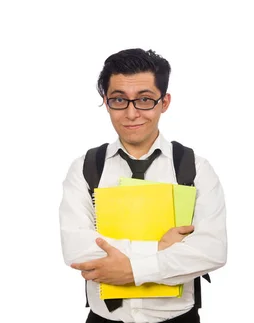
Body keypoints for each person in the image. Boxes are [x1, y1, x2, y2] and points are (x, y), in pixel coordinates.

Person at [59, 48, 227, 323]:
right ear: (106, 101)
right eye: (119, 100)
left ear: (165, 102)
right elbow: (77, 248)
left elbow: (212, 251)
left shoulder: (195, 168)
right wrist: (159, 250)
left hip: (178, 318)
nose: (132, 113)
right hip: (103, 318)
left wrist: (131, 269)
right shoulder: (86, 167)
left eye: (145, 100)